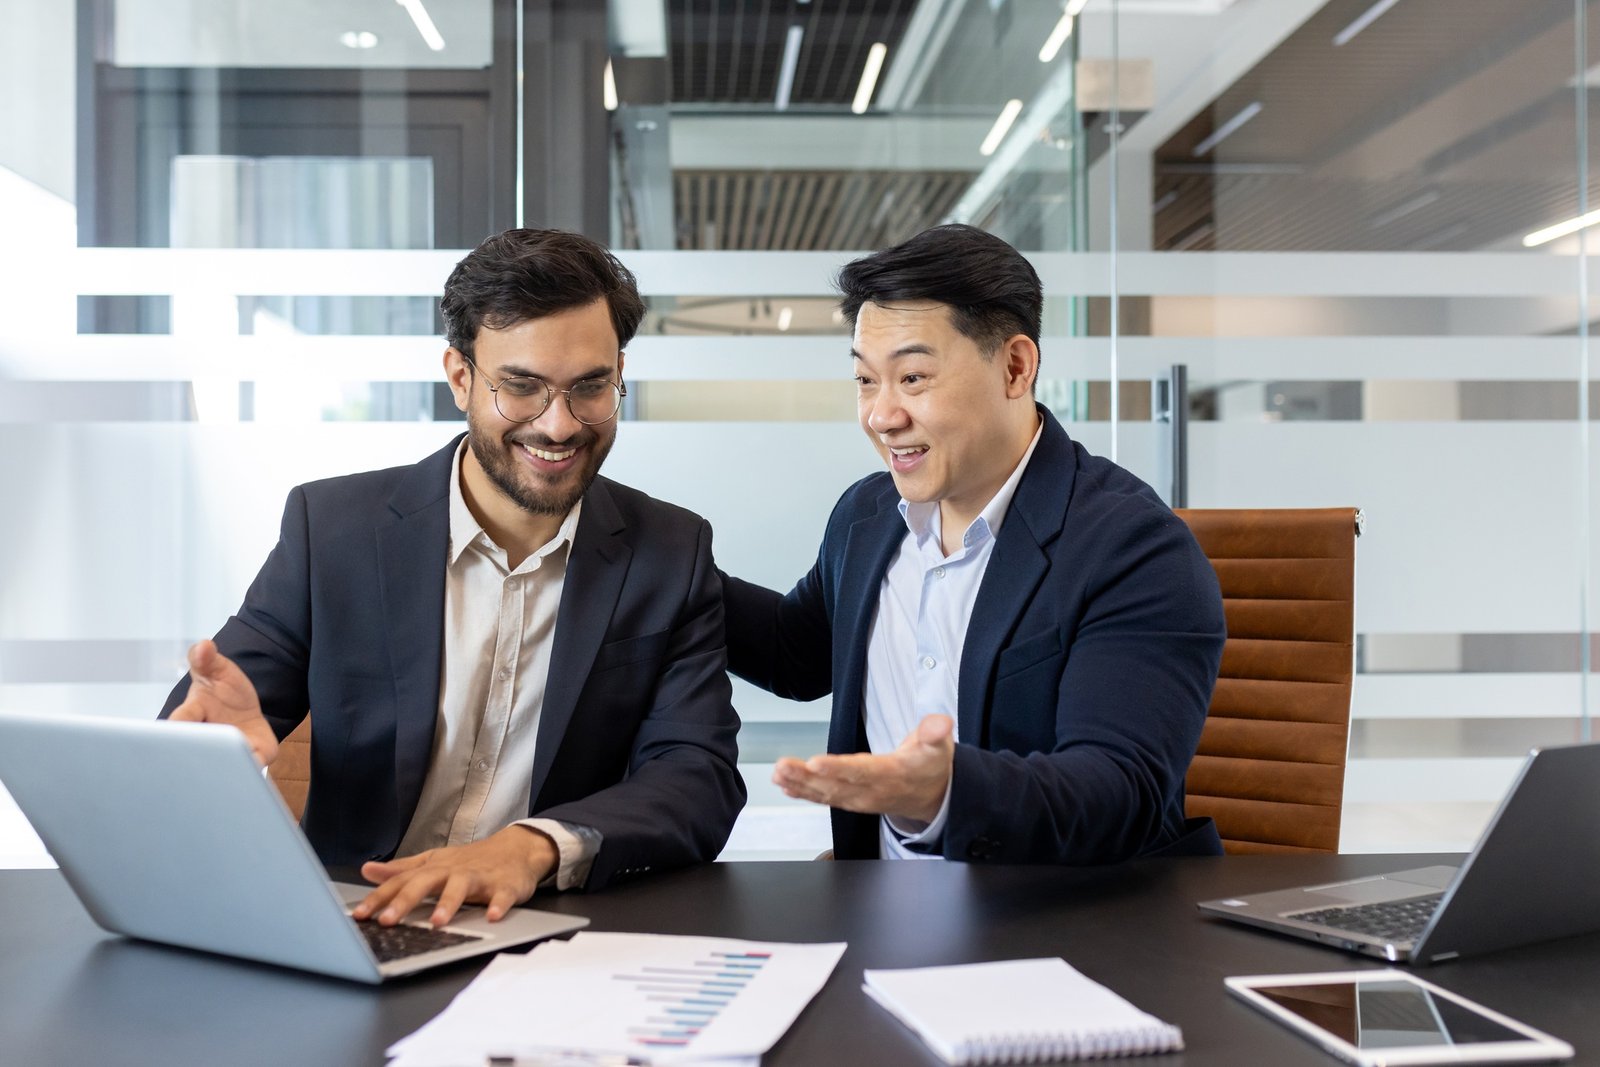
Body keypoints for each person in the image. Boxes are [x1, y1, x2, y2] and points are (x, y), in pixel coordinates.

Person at [162, 228, 745, 926]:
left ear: (619, 373)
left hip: (551, 930)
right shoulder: (334, 531)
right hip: (358, 920)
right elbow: (216, 712)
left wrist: (533, 846)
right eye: (521, 387)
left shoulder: (671, 552)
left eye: (589, 387)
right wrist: (204, 756)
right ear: (461, 376)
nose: (558, 425)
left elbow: (696, 777)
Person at [722, 224, 1225, 864]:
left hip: (1063, 925)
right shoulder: (868, 514)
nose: (881, 415)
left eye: (912, 378)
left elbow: (1118, 791)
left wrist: (947, 794)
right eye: (865, 381)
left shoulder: (1134, 548)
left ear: (1015, 367)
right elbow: (799, 652)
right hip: (887, 915)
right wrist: (655, 555)